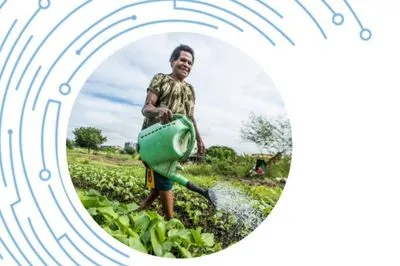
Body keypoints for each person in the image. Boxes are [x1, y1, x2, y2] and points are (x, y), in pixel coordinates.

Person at [138, 44, 205, 220]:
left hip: (177, 141)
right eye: (182, 60)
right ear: (172, 61)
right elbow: (146, 108)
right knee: (165, 177)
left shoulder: (190, 90)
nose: (186, 65)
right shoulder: (161, 79)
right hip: (156, 138)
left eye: (190, 63)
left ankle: (145, 205)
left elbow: (190, 117)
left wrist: (199, 138)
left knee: (162, 174)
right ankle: (171, 221)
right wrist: (158, 110)